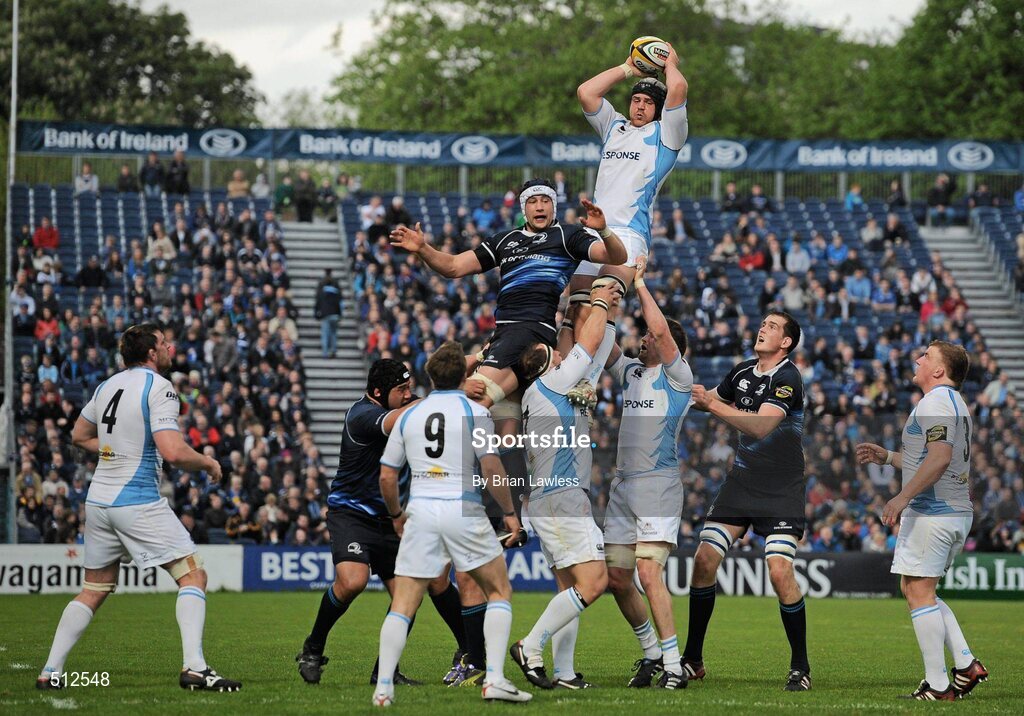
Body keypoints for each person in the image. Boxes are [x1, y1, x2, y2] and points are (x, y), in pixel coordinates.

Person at [35, 323, 241, 692]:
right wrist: (209, 463)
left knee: (93, 590)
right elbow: (173, 452)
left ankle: (51, 671)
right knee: (193, 576)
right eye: (164, 342)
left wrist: (114, 450)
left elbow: (78, 436)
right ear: (151, 353)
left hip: (99, 501)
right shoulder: (159, 387)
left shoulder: (107, 384)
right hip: (136, 498)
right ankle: (194, 667)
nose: (170, 346)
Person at [389, 179, 624, 493]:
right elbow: (455, 267)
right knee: (504, 432)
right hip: (504, 336)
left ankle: (411, 432)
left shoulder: (567, 236)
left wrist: (604, 230)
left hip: (530, 331)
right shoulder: (505, 241)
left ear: (553, 205)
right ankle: (509, 516)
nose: (539, 206)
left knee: (473, 398)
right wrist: (422, 249)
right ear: (523, 207)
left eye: (545, 200)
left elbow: (617, 256)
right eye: (532, 201)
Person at [295, 359, 473, 686]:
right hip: (352, 513)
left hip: (391, 519)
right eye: (401, 390)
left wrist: (469, 367)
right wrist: (447, 395)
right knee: (352, 581)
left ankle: (394, 669)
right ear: (378, 392)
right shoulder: (361, 415)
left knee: (417, 589)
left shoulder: (405, 403)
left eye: (409, 387)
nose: (407, 394)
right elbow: (401, 420)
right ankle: (313, 648)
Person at [371, 342, 530, 706]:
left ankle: (383, 688)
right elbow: (490, 467)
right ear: (464, 376)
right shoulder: (474, 412)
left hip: (422, 512)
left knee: (404, 603)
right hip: (463, 509)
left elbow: (386, 476)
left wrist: (397, 515)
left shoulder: (411, 414)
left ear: (430, 376)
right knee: (499, 591)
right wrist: (508, 513)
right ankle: (493, 680)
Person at [685, 311, 812, 691]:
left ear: (786, 342)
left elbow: (759, 426)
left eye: (772, 327)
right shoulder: (741, 372)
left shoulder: (788, 378)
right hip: (741, 482)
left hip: (782, 487)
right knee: (704, 559)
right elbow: (708, 401)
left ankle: (800, 666)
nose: (763, 329)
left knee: (778, 571)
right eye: (763, 324)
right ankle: (692, 660)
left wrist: (711, 404)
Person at [855, 342, 988, 700]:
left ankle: (939, 684)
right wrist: (888, 458)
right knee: (917, 589)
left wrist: (903, 496)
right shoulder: (955, 402)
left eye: (926, 356)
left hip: (935, 512)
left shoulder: (936, 402)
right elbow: (930, 458)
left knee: (918, 590)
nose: (917, 359)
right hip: (952, 510)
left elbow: (940, 458)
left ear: (940, 370)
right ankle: (965, 663)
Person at [508, 282, 622, 690]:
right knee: (594, 582)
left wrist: (576, 307)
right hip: (561, 497)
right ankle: (530, 646)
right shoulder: (553, 384)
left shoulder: (542, 391)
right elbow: (587, 345)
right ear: (545, 368)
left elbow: (574, 344)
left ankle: (566, 673)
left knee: (569, 589)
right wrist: (600, 302)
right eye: (553, 357)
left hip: (548, 498)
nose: (560, 355)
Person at [567, 41, 689, 411]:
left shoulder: (666, 137)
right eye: (636, 100)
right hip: (593, 233)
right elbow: (586, 92)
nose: (639, 106)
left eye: (648, 103)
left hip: (628, 234)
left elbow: (679, 90)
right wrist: (629, 68)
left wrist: (670, 65)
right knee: (578, 308)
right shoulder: (614, 127)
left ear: (657, 111)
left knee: (606, 297)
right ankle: (567, 375)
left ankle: (587, 383)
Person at [602, 257, 693, 689]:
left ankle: (675, 667)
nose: (642, 340)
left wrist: (637, 282)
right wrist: (600, 299)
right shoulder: (634, 373)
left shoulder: (677, 377)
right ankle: (652, 654)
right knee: (617, 576)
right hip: (623, 486)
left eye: (650, 337)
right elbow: (603, 347)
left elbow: (659, 330)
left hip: (658, 485)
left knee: (648, 573)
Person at [315, 268, 343, 358]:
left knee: (325, 333)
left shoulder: (321, 289)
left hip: (326, 314)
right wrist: (340, 314)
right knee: (333, 333)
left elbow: (318, 302)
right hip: (334, 314)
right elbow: (339, 302)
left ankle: (325, 352)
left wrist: (316, 313)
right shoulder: (336, 288)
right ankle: (334, 350)